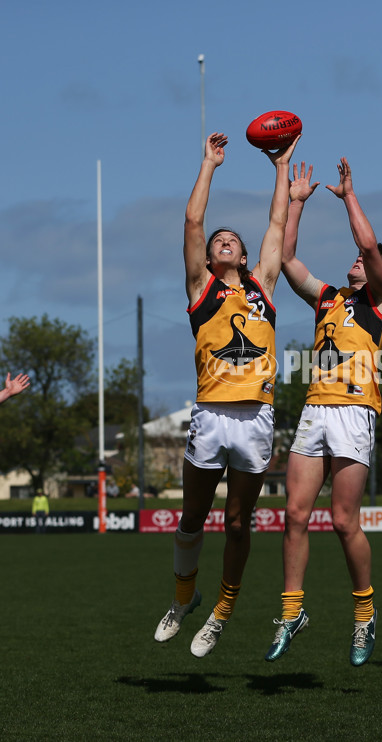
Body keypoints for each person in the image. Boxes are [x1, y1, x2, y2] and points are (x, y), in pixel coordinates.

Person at [154, 130, 299, 658]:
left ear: (242, 254)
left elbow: (278, 224)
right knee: (193, 517)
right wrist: (210, 164)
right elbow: (192, 221)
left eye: (231, 238)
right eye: (219, 240)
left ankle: (222, 610)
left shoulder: (263, 283)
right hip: (211, 415)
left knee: (238, 522)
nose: (223, 240)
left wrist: (281, 165)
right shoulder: (201, 290)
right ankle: (182, 598)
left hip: (257, 418)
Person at [264, 157, 382, 666]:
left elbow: (368, 246)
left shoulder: (381, 302)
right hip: (315, 411)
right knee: (295, 514)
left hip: (354, 413)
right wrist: (297, 203)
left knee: (344, 522)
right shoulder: (329, 299)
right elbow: (285, 259)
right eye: (354, 259)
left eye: (363, 261)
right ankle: (291, 610)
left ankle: (365, 616)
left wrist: (348, 196)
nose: (356, 260)